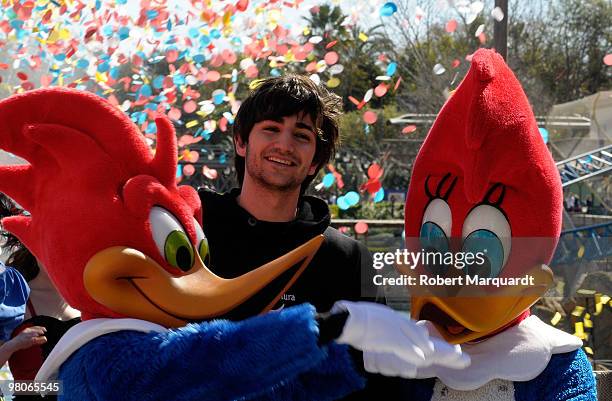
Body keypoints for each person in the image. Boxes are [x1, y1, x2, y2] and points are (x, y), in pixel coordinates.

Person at [199, 75, 398, 398]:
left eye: (301, 135)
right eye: (271, 129)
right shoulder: (194, 233)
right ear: (240, 141)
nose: (285, 145)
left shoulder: (348, 259)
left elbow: (380, 378)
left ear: (314, 161)